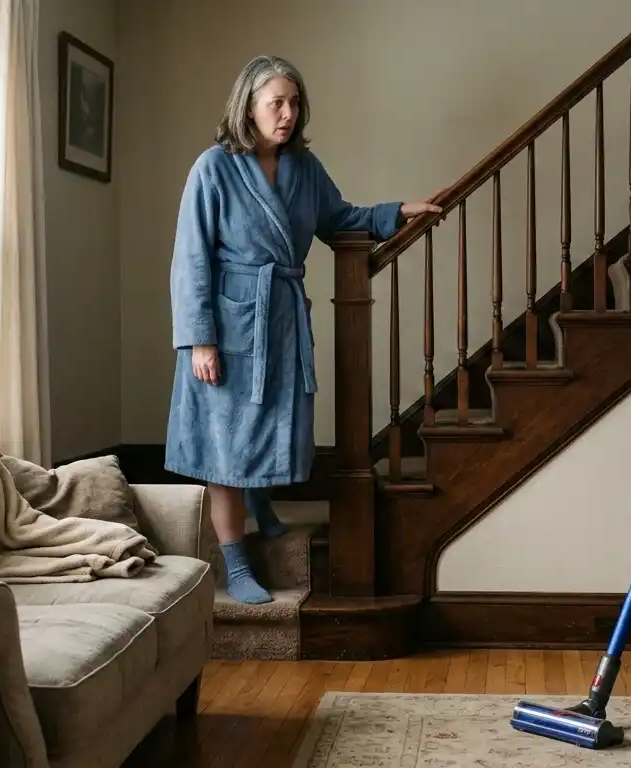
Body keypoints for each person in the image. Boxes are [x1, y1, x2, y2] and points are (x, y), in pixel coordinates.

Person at [166, 55, 441, 604]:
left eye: (294, 103)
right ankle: (236, 561)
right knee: (224, 447)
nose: (288, 114)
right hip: (229, 320)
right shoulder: (213, 168)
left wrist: (397, 211)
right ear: (248, 106)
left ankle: (260, 498)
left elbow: (339, 218)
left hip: (282, 318)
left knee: (268, 423)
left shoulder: (304, 170)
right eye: (276, 103)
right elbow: (191, 258)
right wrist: (200, 339)